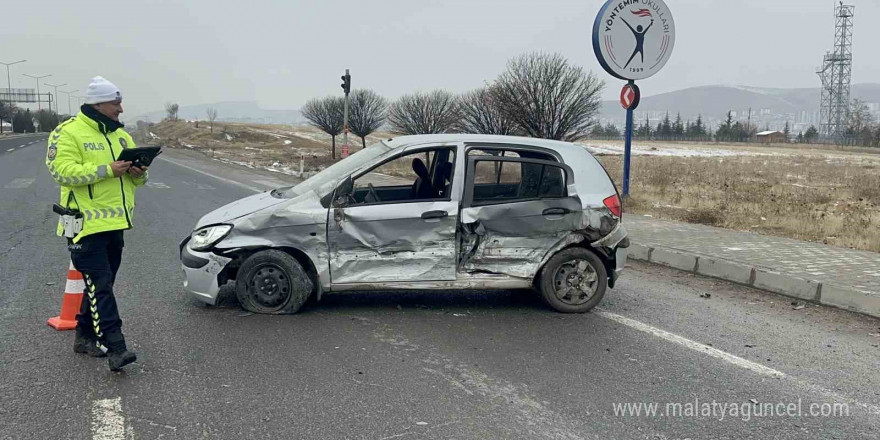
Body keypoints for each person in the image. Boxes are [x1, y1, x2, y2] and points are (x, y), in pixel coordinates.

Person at [45, 76, 148, 371]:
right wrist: (107, 169)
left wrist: (139, 172)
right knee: (100, 285)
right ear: (98, 104)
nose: (121, 109)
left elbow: (139, 182)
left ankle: (84, 336)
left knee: (102, 285)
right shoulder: (68, 132)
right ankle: (116, 347)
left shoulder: (121, 136)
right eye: (116, 103)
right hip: (82, 225)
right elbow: (61, 172)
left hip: (115, 224)